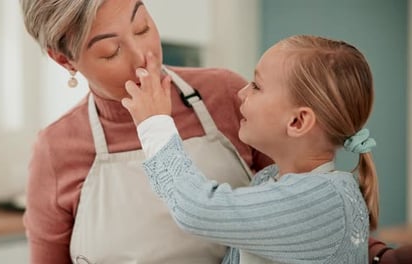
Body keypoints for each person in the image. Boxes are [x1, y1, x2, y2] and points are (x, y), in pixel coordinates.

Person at [19, 0, 272, 263]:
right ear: (63, 59)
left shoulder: (227, 94)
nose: (143, 57)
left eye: (142, 28)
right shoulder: (55, 149)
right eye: (111, 50)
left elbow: (304, 197)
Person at [122, 35, 380, 263]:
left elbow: (198, 209)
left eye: (257, 86)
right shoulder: (266, 180)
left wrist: (154, 124)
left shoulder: (326, 201)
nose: (242, 93)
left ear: (297, 121)